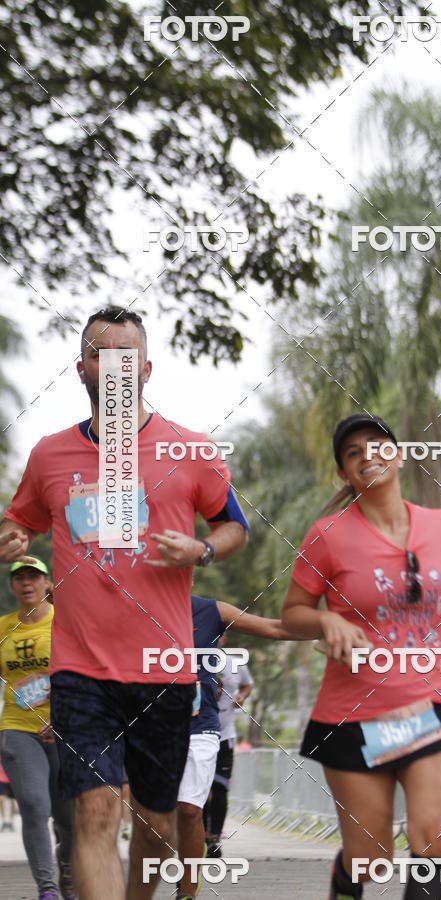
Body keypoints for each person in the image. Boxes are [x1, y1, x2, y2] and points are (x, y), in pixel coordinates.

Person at [0, 306, 249, 900]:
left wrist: (202, 550)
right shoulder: (49, 456)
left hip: (164, 670)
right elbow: (19, 520)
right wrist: (11, 536)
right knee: (94, 815)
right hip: (81, 671)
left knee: (157, 824)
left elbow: (234, 528)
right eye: (99, 354)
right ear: (80, 368)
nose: (112, 366)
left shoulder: (190, 450)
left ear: (146, 368)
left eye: (125, 356)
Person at [281, 413, 441, 900]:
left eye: (378, 446)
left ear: (399, 453)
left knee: (433, 838)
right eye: (353, 453)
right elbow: (293, 613)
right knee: (369, 860)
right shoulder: (327, 535)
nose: (368, 457)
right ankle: (346, 882)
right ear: (344, 473)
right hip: (353, 715)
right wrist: (327, 620)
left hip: (432, 705)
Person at [176, 595, 293, 900]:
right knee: (155, 823)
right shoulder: (140, 606)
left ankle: (187, 891)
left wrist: (332, 622)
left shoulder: (211, 610)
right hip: (153, 727)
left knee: (190, 809)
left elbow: (275, 628)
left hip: (202, 726)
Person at [0, 556, 75, 900]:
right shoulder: (4, 628)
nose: (26, 583)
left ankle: (70, 875)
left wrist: (63, 713)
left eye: (34, 577)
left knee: (68, 816)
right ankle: (47, 888)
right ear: (12, 585)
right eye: (20, 578)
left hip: (65, 730)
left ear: (47, 583)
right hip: (17, 727)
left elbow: (84, 672)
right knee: (33, 803)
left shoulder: (66, 623)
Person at [203, 632, 254, 860]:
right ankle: (200, 835)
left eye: (217, 636)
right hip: (198, 735)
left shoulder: (235, 663)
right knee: (201, 790)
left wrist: (242, 697)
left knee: (221, 787)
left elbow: (248, 685)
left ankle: (214, 839)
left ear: (223, 639)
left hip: (226, 736)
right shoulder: (192, 660)